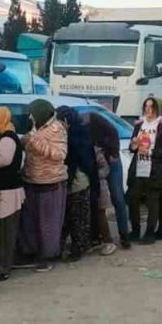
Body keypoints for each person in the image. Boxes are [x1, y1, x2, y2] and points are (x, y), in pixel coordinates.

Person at [20, 99, 68, 270]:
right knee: (31, 222)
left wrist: (35, 141)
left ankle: (46, 258)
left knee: (48, 224)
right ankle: (33, 253)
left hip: (50, 182)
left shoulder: (57, 129)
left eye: (33, 113)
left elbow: (59, 154)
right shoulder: (37, 127)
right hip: (31, 180)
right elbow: (32, 139)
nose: (30, 117)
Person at [128, 96, 162, 244]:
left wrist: (151, 152)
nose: (148, 109)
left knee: (152, 201)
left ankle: (149, 232)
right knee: (133, 198)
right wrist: (134, 145)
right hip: (138, 167)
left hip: (154, 169)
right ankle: (135, 230)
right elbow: (132, 147)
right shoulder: (139, 124)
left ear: (157, 108)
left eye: (151, 106)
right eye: (146, 106)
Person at [0, 106, 25, 282]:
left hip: (7, 191)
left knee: (5, 231)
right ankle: (0, 265)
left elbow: (5, 159)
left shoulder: (7, 137)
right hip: (2, 190)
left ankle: (4, 267)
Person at [57, 105, 97, 262]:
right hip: (78, 180)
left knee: (76, 217)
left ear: (66, 121)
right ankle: (76, 246)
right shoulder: (80, 132)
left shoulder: (73, 136)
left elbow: (82, 160)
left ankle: (77, 248)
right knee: (75, 217)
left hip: (78, 181)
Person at [88, 111, 131, 248]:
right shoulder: (84, 123)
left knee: (117, 197)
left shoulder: (92, 118)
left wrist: (113, 153)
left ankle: (124, 234)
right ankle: (99, 235)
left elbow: (113, 131)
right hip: (100, 163)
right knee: (99, 200)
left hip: (111, 162)